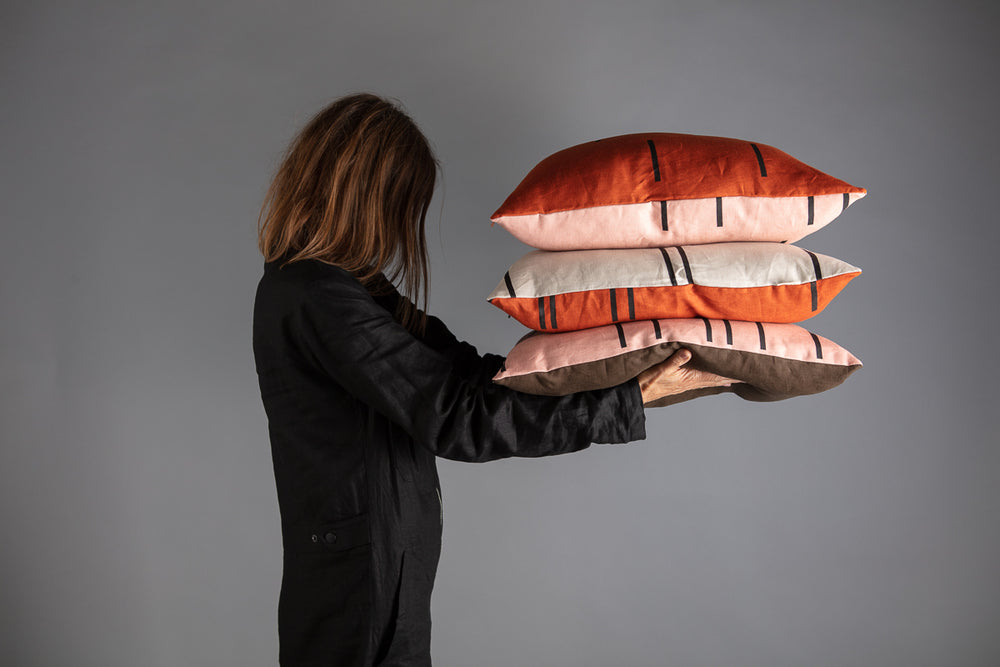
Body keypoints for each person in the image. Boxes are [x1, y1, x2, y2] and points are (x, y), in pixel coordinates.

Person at [252, 93, 733, 667]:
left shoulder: (351, 293)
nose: (403, 225)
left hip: (378, 575)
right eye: (403, 203)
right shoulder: (318, 298)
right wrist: (623, 400)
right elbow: (457, 417)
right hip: (360, 590)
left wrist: (601, 360)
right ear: (368, 198)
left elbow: (466, 373)